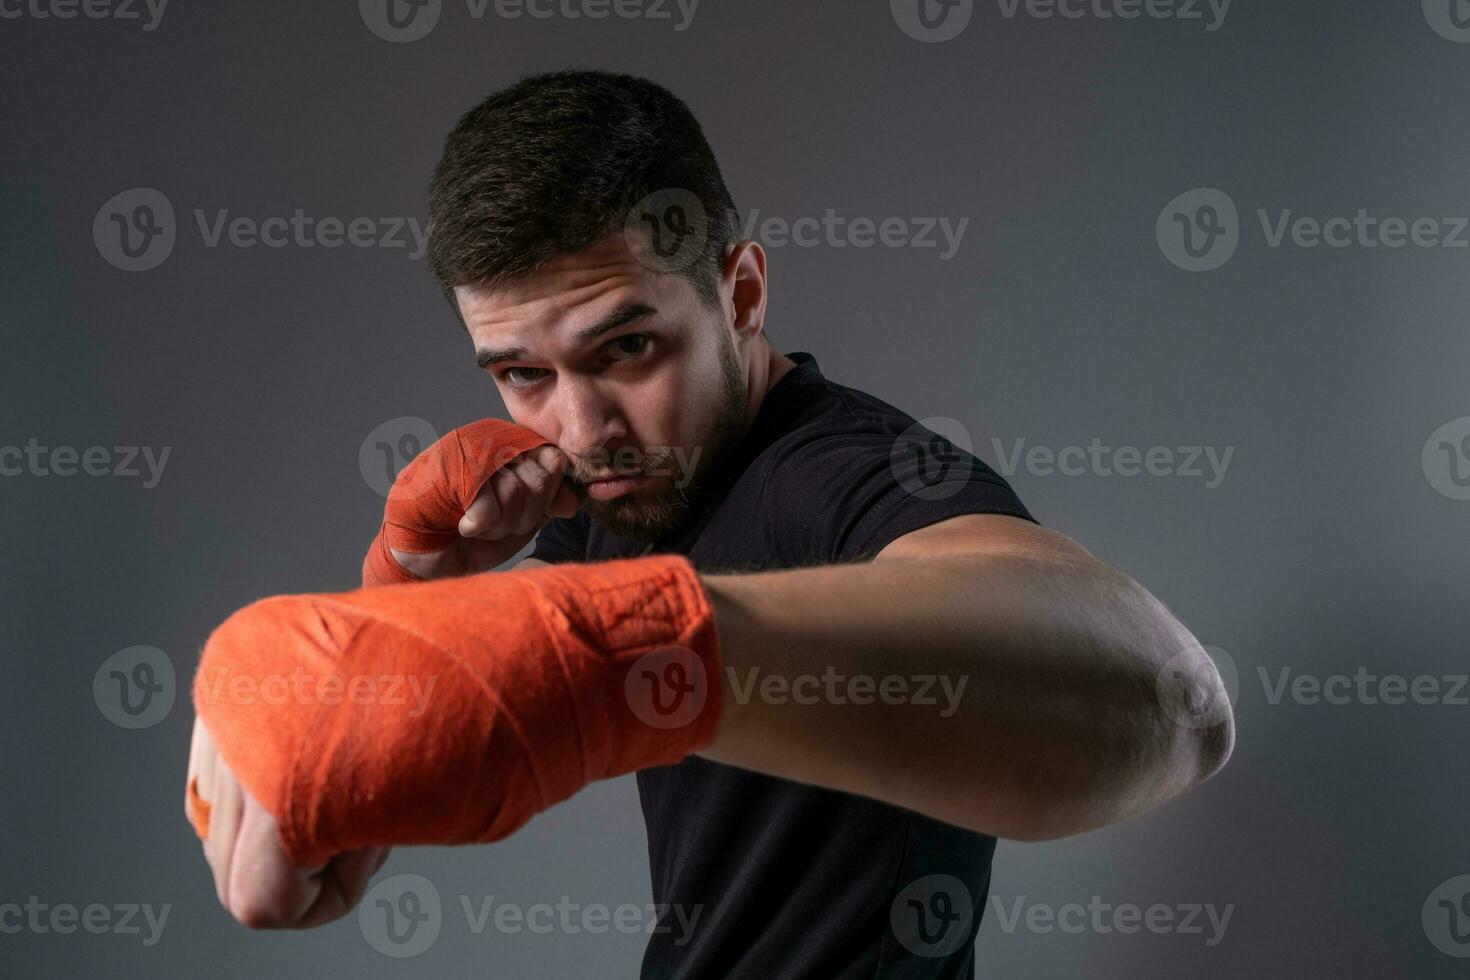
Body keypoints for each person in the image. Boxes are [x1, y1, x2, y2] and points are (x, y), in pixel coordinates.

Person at [186, 69, 1234, 978]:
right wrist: (410, 596)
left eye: (628, 348)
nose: (583, 428)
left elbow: (1173, 698)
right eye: (523, 374)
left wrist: (619, 648)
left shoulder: (839, 475)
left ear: (740, 291)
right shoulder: (617, 489)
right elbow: (330, 839)